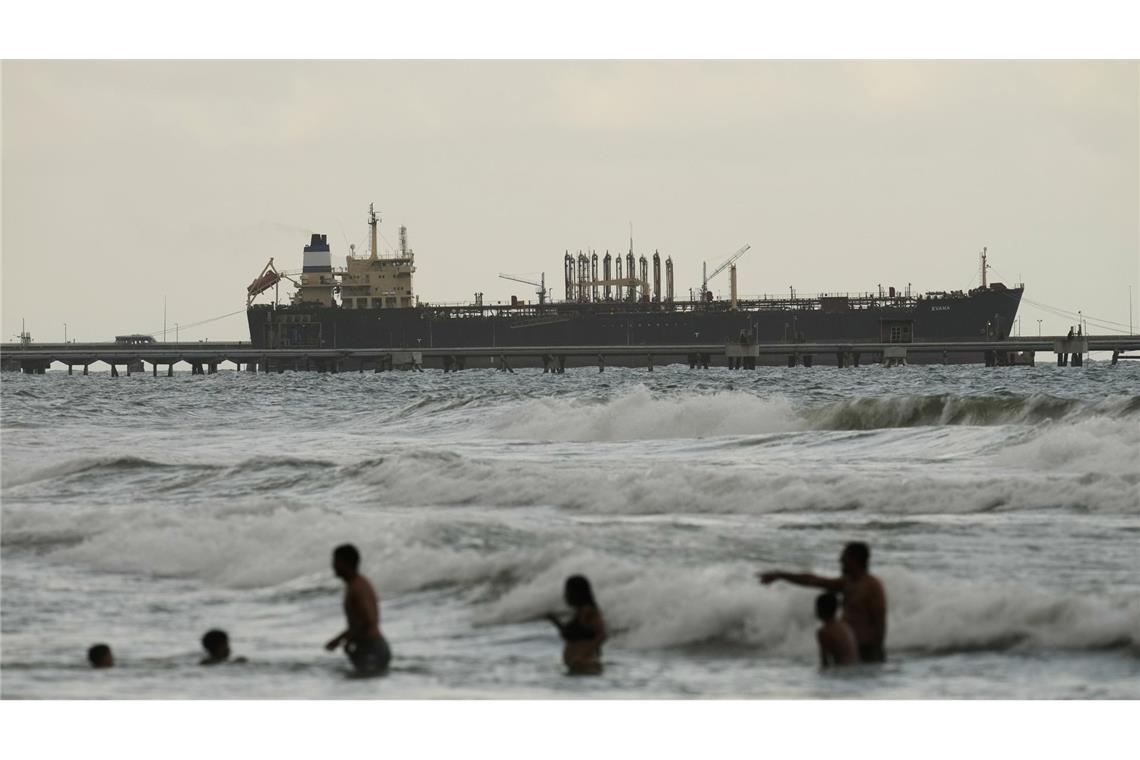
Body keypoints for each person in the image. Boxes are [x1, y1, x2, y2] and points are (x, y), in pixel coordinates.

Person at [758, 541, 888, 662]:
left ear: (856, 559)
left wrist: (877, 651)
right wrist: (780, 575)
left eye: (844, 557)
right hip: (848, 648)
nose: (840, 560)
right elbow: (813, 580)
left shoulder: (872, 586)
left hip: (867, 651)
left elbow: (880, 622)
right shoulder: (847, 583)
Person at [325, 543, 391, 676]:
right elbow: (360, 622)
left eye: (335, 561)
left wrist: (344, 639)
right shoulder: (356, 584)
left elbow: (368, 621)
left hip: (372, 648)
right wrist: (341, 639)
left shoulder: (357, 587)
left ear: (345, 563)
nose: (333, 566)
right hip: (370, 647)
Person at [547, 575, 607, 675]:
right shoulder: (580, 613)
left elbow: (602, 635)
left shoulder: (588, 611)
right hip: (577, 667)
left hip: (586, 665)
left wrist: (582, 655)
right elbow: (573, 636)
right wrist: (555, 622)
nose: (565, 596)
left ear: (578, 593)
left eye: (568, 591)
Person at [815, 592, 859, 668]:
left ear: (820, 609)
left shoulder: (824, 632)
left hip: (842, 671)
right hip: (856, 667)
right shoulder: (845, 625)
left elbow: (825, 663)